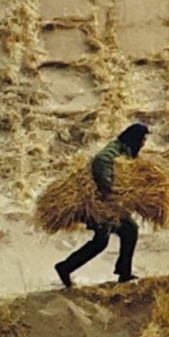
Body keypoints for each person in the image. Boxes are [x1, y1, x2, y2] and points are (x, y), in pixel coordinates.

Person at [54, 123, 150, 288]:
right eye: (142, 139)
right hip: (98, 205)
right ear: (134, 138)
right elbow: (103, 169)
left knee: (120, 234)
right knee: (119, 234)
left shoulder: (126, 151)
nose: (143, 143)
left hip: (108, 205)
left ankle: (122, 272)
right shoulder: (110, 154)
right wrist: (116, 191)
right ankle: (66, 267)